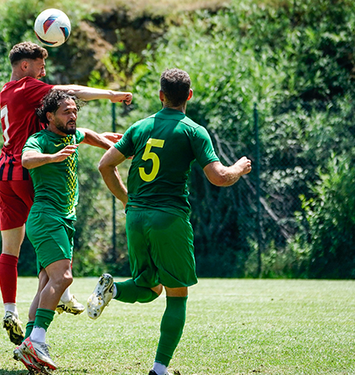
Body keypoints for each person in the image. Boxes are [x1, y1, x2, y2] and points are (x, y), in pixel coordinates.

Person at [89, 68, 252, 375]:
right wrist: (239, 167)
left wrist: (127, 200)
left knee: (149, 287)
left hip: (135, 218)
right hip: (169, 218)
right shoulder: (193, 130)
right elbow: (218, 177)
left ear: (161, 95)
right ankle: (160, 369)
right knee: (177, 295)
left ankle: (113, 290)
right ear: (189, 95)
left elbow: (105, 165)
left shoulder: (139, 127)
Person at [0, 41, 133, 346]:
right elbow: (71, 91)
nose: (43, 71)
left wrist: (109, 141)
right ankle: (61, 295)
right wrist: (110, 95)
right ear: (24, 67)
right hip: (25, 171)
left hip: (3, 172)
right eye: (39, 65)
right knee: (50, 241)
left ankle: (10, 310)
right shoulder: (27, 88)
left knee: (10, 250)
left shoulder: (6, 90)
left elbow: (83, 133)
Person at [12, 89, 121, 373]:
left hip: (63, 220)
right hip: (47, 218)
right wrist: (52, 157)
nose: (72, 115)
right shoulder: (41, 139)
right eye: (66, 112)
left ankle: (28, 341)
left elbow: (87, 134)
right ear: (49, 117)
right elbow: (26, 159)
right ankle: (37, 342)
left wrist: (110, 141)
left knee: (46, 283)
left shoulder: (72, 135)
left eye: (74, 110)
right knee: (64, 279)